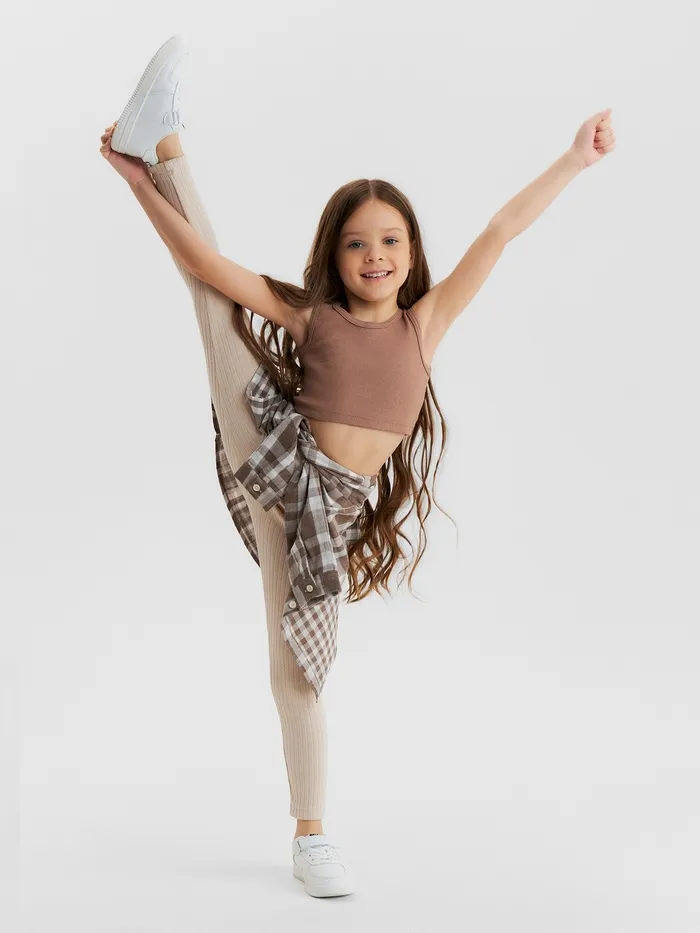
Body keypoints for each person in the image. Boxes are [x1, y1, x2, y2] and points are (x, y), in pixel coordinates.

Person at [99, 34, 615, 898]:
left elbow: (499, 232)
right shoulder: (316, 317)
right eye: (355, 244)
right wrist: (138, 184)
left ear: (411, 253)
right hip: (272, 449)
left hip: (316, 517)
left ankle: (309, 838)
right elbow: (206, 264)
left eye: (389, 240)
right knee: (214, 299)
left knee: (297, 670)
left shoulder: (425, 325)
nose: (374, 255)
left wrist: (574, 159)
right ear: (334, 258)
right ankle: (164, 140)